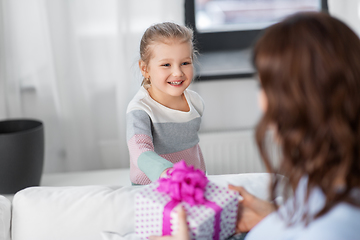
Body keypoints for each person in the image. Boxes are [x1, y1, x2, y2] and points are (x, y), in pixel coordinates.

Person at [149, 12, 360, 240]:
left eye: (263, 87)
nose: (261, 102)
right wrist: (273, 216)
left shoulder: (329, 229)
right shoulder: (330, 178)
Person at [126, 22, 206, 185]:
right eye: (166, 65)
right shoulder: (140, 109)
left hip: (190, 184)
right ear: (145, 69)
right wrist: (166, 172)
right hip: (152, 187)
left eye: (185, 63)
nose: (177, 72)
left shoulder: (195, 102)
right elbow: (139, 150)